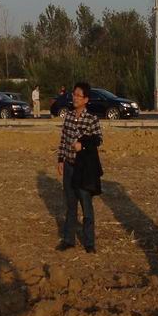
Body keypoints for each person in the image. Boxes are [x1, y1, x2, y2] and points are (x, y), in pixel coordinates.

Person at [55, 82, 103, 253]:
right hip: (69, 166)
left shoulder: (92, 119)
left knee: (86, 206)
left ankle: (89, 242)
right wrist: (60, 159)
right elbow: (63, 140)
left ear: (86, 99)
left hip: (83, 169)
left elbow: (98, 140)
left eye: (78, 95)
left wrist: (82, 145)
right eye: (74, 94)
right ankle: (68, 239)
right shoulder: (68, 116)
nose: (75, 98)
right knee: (70, 205)